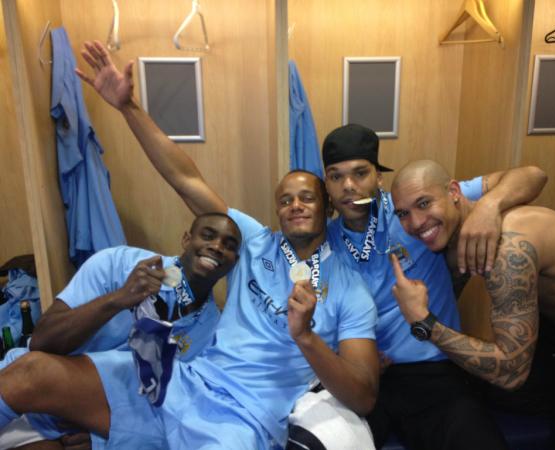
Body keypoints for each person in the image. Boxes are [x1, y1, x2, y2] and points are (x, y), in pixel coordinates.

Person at [0, 41, 379, 450]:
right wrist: (129, 108)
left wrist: (306, 337)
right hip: (176, 381)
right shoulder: (254, 240)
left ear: (327, 206)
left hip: (241, 418)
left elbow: (363, 395)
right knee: (30, 371)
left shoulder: (351, 289)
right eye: (285, 200)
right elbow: (185, 178)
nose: (295, 206)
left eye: (307, 197)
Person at [285, 124, 546, 450]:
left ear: (378, 177)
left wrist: (489, 208)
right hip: (368, 379)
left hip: (434, 373)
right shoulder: (325, 240)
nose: (349, 186)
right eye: (336, 177)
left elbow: (532, 175)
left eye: (360, 173)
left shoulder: (413, 211)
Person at [390, 159, 555, 450]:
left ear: (454, 191)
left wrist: (424, 322)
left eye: (424, 203)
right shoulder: (453, 234)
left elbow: (511, 372)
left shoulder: (508, 248)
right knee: (475, 390)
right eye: (403, 213)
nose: (414, 223)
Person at [0, 212, 240, 449]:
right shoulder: (117, 264)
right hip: (22, 388)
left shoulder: (210, 331)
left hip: (70, 427)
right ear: (186, 240)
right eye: (208, 236)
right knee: (35, 371)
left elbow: (165, 404)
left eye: (228, 246)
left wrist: (106, 438)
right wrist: (120, 298)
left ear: (234, 262)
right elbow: (42, 344)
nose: (217, 247)